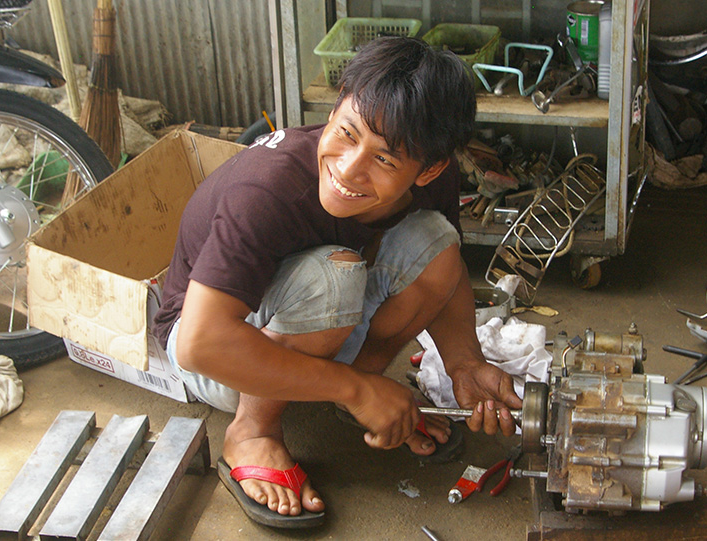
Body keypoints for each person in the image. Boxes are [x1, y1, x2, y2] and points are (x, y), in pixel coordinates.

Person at [153, 36, 521, 529]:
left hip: (291, 319)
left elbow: (442, 267)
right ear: (335, 108)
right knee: (334, 276)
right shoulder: (266, 188)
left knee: (436, 240)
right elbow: (201, 344)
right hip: (213, 351)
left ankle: (355, 396)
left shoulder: (438, 176)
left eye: (385, 160)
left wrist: (465, 361)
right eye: (346, 133)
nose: (349, 169)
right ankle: (253, 429)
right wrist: (357, 389)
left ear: (429, 168)